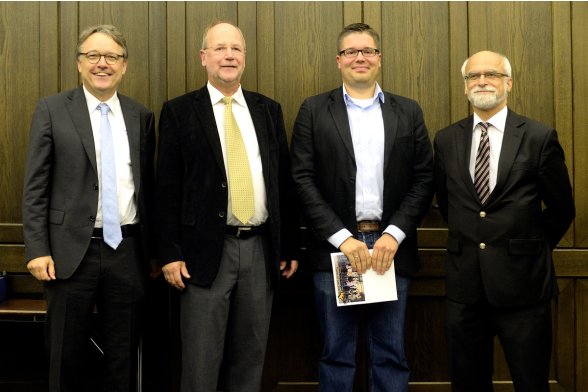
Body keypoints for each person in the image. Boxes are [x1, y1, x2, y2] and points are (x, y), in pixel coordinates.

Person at [155, 21, 299, 392]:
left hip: (260, 252)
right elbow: (166, 189)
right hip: (204, 255)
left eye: (235, 48)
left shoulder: (268, 110)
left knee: (250, 359)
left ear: (245, 58)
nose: (229, 55)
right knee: (201, 363)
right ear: (204, 58)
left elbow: (284, 183)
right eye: (219, 48)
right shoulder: (180, 111)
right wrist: (169, 253)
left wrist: (288, 247)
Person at [290, 23, 434, 392]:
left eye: (367, 51)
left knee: (390, 353)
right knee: (337, 353)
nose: (360, 57)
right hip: (336, 252)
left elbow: (423, 179)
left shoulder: (408, 111)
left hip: (390, 251)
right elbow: (302, 179)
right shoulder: (314, 110)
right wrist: (342, 238)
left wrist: (394, 234)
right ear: (339, 60)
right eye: (351, 52)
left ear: (379, 59)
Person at [22, 25, 155, 392]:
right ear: (79, 63)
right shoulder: (51, 109)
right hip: (68, 254)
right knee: (65, 356)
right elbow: (35, 186)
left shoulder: (140, 116)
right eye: (93, 56)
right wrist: (37, 249)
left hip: (127, 252)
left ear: (124, 66)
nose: (102, 64)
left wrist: (155, 252)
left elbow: (147, 189)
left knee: (122, 354)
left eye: (111, 56)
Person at [433, 50, 575, 392]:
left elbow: (561, 209)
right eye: (473, 76)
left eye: (492, 75)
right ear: (465, 87)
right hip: (465, 289)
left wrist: (528, 248)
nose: (482, 81)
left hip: (523, 287)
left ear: (508, 83)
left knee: (531, 382)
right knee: (467, 384)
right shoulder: (447, 139)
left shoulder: (539, 137)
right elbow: (447, 203)